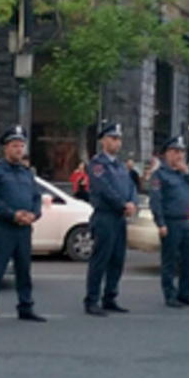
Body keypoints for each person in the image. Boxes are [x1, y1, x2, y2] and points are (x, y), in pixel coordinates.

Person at [0, 125, 47, 327]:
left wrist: (34, 215)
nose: (19, 150)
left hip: (24, 229)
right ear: (6, 148)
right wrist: (13, 214)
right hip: (4, 228)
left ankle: (26, 307)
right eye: (15, 146)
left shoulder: (27, 173)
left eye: (21, 146)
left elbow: (36, 197)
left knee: (24, 270)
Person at [84, 122, 137, 316]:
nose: (117, 143)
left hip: (119, 217)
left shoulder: (120, 165)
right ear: (103, 141)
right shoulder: (98, 164)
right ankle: (91, 300)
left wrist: (132, 202)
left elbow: (131, 187)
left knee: (117, 260)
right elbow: (104, 189)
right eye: (113, 139)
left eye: (119, 139)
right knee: (101, 260)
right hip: (105, 216)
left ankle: (110, 297)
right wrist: (123, 204)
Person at [149, 136, 189, 308]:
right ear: (167, 154)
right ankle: (170, 295)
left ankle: (185, 294)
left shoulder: (184, 173)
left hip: (187, 221)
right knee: (170, 261)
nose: (179, 155)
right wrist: (160, 223)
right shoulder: (160, 175)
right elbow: (156, 201)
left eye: (181, 152)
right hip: (171, 222)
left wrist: (187, 172)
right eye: (175, 152)